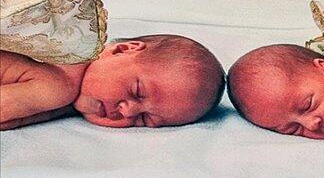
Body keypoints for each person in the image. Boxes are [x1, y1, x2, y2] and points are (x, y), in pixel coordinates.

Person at [0, 33, 225, 130]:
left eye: (143, 119)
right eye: (137, 92)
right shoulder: (62, 81)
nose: (127, 112)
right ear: (124, 49)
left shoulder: (67, 101)